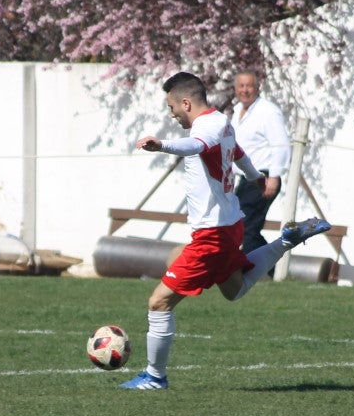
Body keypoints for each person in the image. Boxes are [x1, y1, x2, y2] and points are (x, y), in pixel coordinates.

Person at [119, 72, 331, 390]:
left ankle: (154, 377)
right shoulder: (222, 120)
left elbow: (195, 146)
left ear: (186, 102)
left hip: (212, 234)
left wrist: (161, 144)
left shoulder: (204, 129)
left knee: (159, 302)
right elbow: (240, 154)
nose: (171, 113)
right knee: (233, 289)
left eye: (171, 107)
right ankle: (285, 241)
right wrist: (256, 176)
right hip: (230, 224)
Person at [229, 70, 292, 253]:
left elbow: (280, 145)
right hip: (244, 178)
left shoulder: (268, 111)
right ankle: (272, 268)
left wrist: (274, 177)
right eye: (241, 86)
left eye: (249, 85)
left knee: (246, 226)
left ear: (257, 88)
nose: (245, 90)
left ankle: (258, 270)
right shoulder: (237, 111)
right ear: (235, 89)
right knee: (242, 226)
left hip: (262, 178)